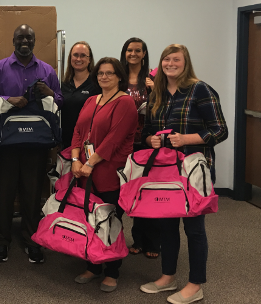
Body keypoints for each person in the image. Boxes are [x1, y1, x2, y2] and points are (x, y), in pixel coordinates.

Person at [139, 44, 228, 304]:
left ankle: (195, 284)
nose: (170, 64)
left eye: (175, 59)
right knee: (166, 225)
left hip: (193, 171)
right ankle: (168, 277)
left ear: (185, 62)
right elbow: (146, 131)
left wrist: (187, 138)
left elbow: (220, 130)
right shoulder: (156, 93)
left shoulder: (200, 90)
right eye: (166, 59)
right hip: (164, 171)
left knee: (194, 229)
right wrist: (150, 140)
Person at [0, 24, 62, 263]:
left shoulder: (47, 70)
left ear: (35, 40)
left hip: (36, 145)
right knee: (3, 193)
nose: (24, 41)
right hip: (6, 144)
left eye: (29, 37)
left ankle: (32, 240)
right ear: (13, 41)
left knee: (32, 193)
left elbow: (60, 101)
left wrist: (49, 92)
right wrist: (9, 99)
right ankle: (1, 241)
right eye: (20, 37)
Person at [70, 57, 136, 292]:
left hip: (109, 172)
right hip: (86, 171)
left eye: (109, 73)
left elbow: (114, 141)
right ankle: (93, 265)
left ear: (120, 76)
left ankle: (112, 271)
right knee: (89, 219)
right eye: (100, 73)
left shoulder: (125, 103)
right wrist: (76, 159)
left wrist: (90, 162)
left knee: (110, 221)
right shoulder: (91, 100)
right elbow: (78, 131)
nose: (104, 77)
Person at [119, 37, 161, 259]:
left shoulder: (153, 79)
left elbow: (163, 108)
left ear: (144, 54)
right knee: (130, 192)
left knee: (148, 192)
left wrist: (155, 91)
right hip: (122, 144)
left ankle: (152, 241)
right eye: (129, 50)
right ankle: (136, 239)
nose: (133, 54)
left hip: (145, 143)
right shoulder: (119, 79)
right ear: (124, 53)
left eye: (137, 50)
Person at [61, 41, 101, 149]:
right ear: (70, 58)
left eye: (83, 55)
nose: (78, 59)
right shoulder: (63, 84)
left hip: (88, 142)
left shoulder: (97, 84)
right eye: (75, 55)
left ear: (89, 60)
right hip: (65, 141)